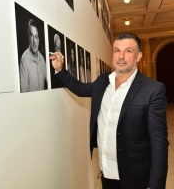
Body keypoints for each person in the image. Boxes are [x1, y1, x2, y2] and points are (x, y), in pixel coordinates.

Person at [50, 33, 168, 189]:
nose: (121, 56)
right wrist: (60, 70)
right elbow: (80, 89)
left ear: (138, 56)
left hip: (135, 175)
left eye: (128, 51)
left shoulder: (152, 89)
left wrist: (156, 184)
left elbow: (159, 142)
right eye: (117, 50)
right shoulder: (102, 81)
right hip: (106, 171)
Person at [20, 19, 47, 92]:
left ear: (39, 40)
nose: (34, 41)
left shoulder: (43, 59)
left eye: (36, 36)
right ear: (28, 37)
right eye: (32, 36)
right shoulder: (24, 60)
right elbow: (24, 93)